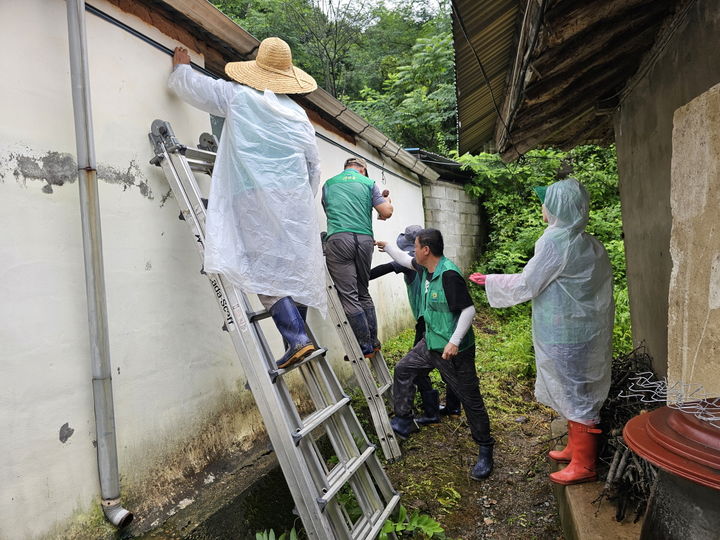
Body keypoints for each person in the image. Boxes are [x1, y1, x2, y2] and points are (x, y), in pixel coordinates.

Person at [168, 38, 325, 369]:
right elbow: (313, 166)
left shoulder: (238, 97)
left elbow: (196, 89)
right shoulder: (299, 115)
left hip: (253, 196)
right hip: (294, 201)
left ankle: (297, 338)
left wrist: (182, 67)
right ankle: (298, 336)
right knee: (292, 267)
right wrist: (299, 202)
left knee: (259, 266)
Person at [470, 177, 614, 485]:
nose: (542, 208)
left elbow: (528, 282)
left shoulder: (555, 240)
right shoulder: (589, 242)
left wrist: (491, 281)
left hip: (564, 333)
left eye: (546, 203)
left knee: (576, 392)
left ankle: (585, 463)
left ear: (558, 207)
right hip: (584, 332)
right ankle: (576, 448)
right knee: (578, 389)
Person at [377, 228, 494, 480]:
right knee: (404, 369)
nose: (413, 251)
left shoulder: (449, 275)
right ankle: (404, 419)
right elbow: (402, 258)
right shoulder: (425, 269)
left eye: (416, 246)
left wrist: (454, 341)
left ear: (426, 250)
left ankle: (485, 449)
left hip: (454, 352)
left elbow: (469, 310)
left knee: (470, 399)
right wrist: (386, 245)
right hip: (430, 343)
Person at [370, 225, 460, 424]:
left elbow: (378, 271)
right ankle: (453, 407)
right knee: (447, 365)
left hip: (426, 322)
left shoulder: (411, 263)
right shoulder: (433, 262)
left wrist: (354, 278)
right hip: (443, 322)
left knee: (415, 368)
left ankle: (429, 412)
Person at [322, 156, 393, 357]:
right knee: (363, 291)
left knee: (349, 295)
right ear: (363, 169)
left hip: (339, 240)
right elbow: (386, 213)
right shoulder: (369, 183)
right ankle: (373, 342)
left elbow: (331, 211)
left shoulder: (329, 184)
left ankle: (364, 346)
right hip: (364, 241)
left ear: (346, 168)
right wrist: (388, 200)